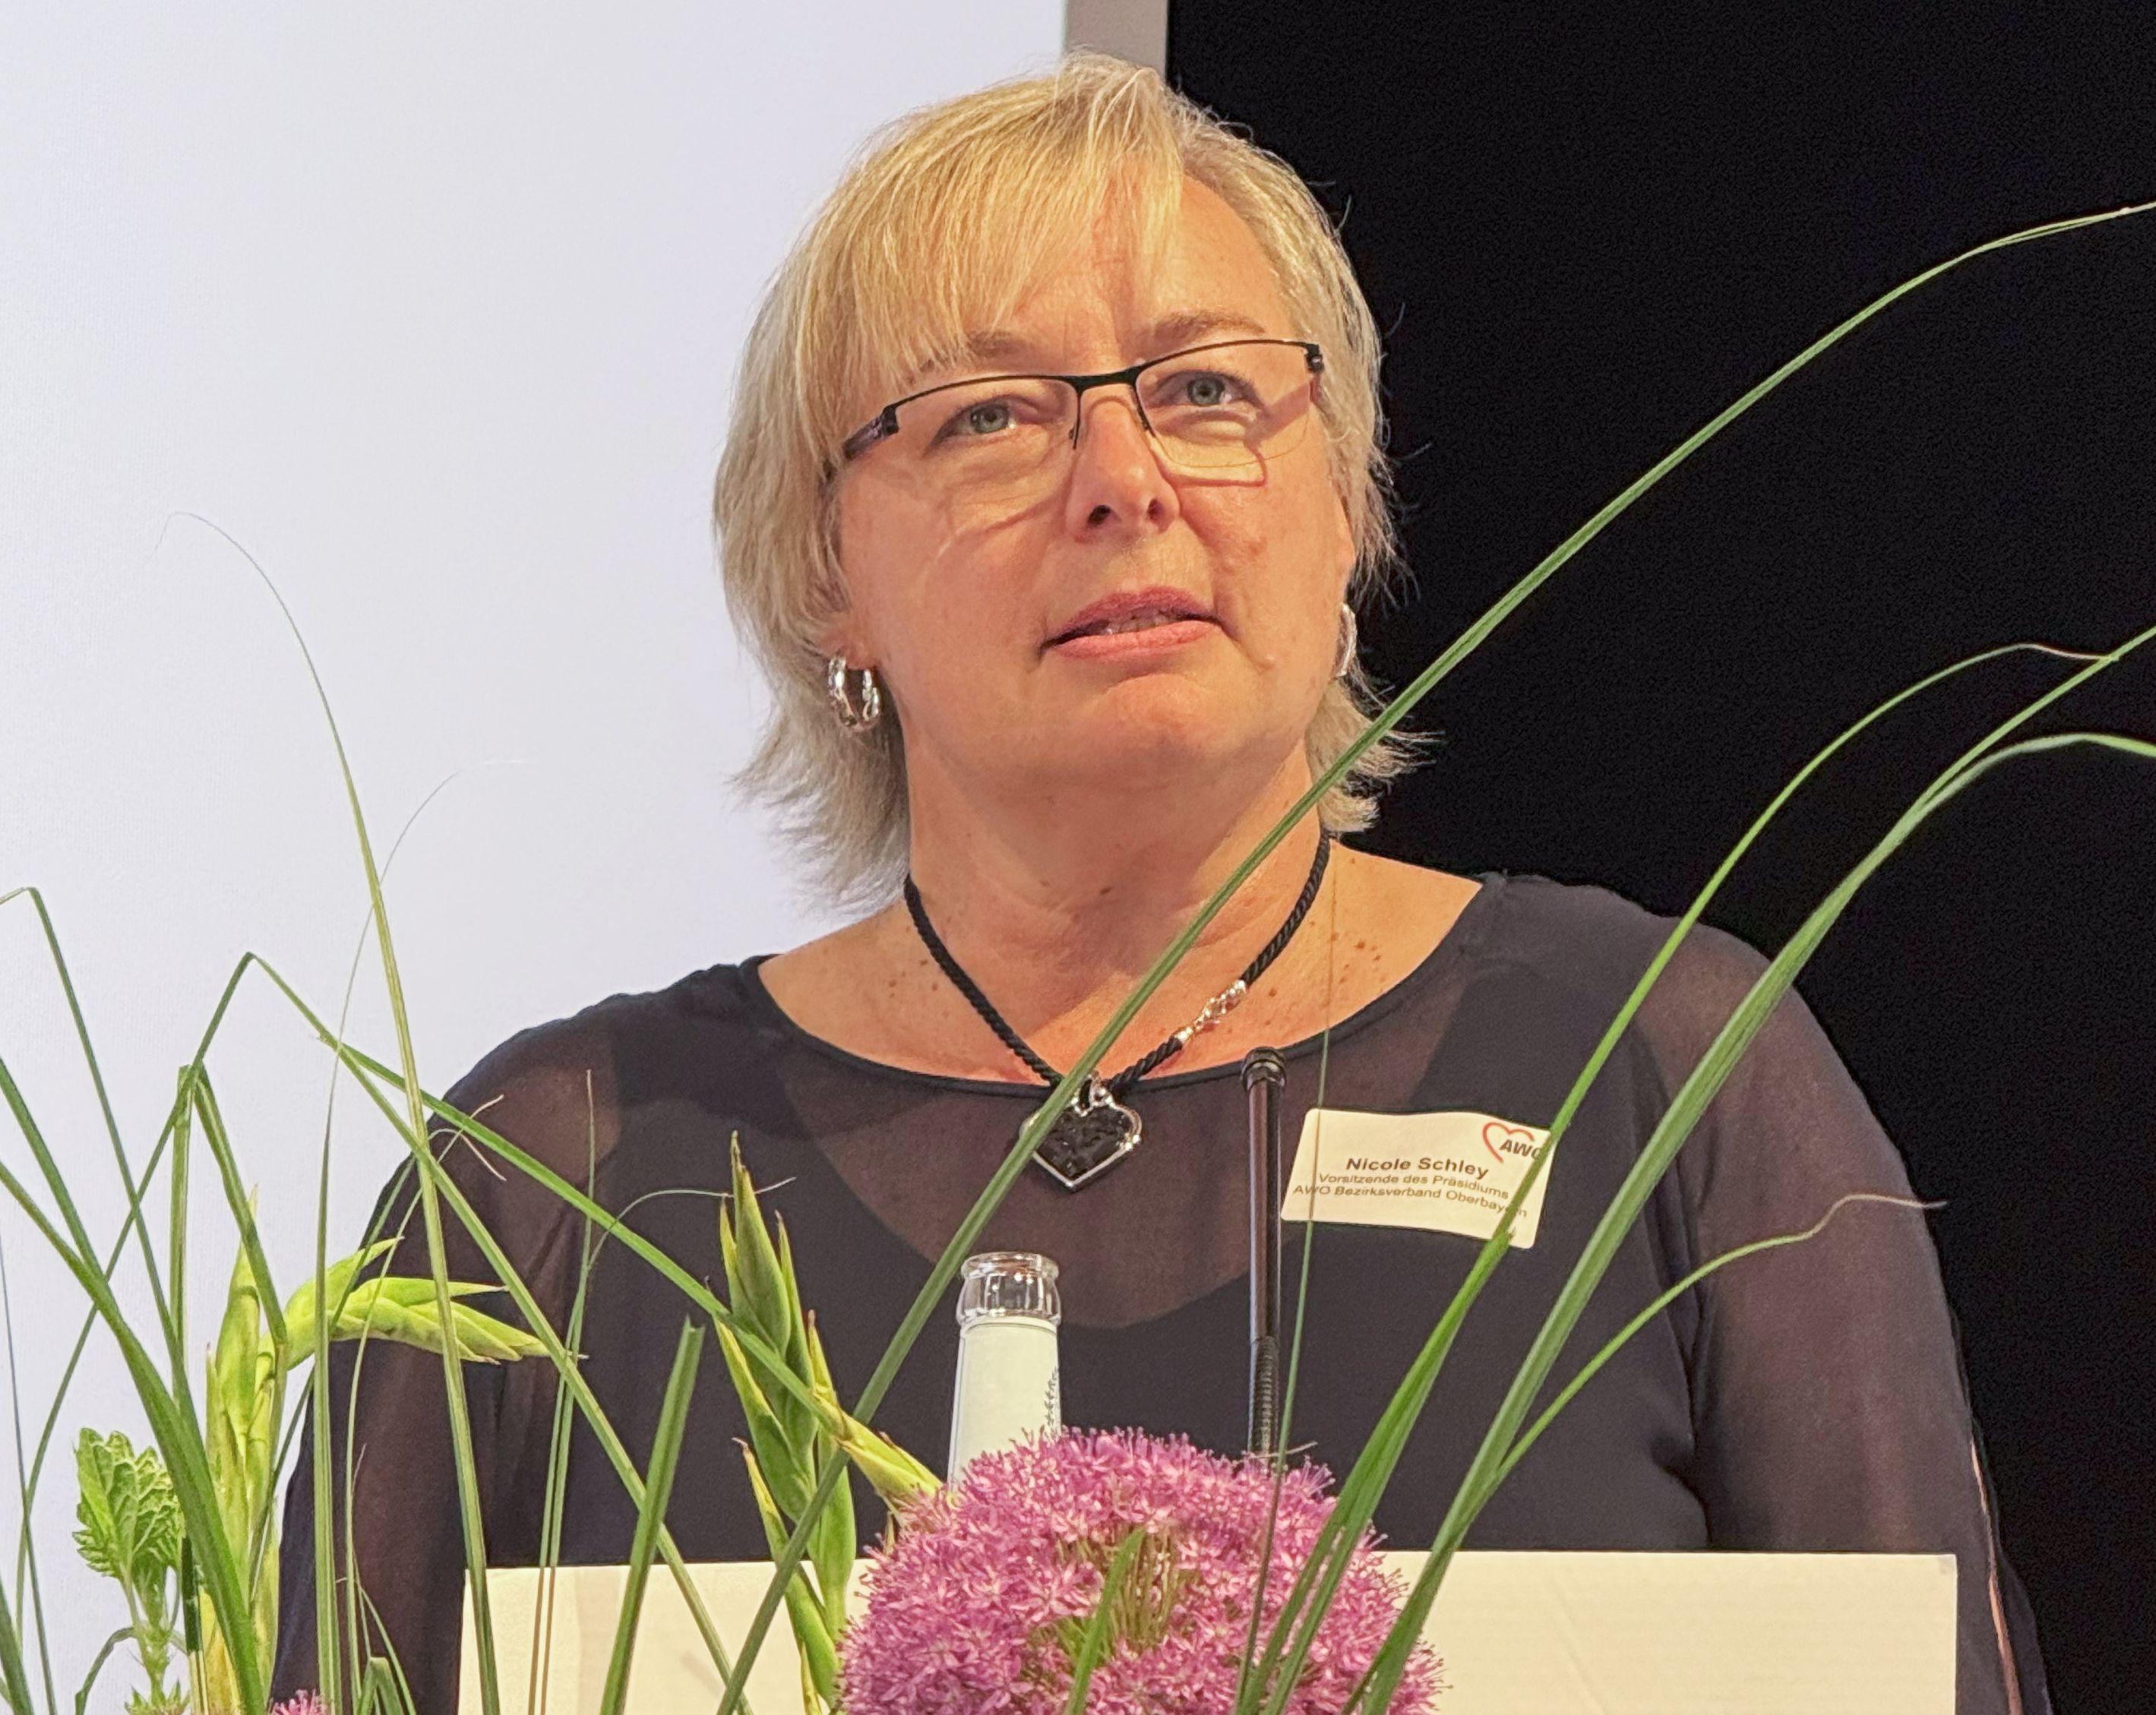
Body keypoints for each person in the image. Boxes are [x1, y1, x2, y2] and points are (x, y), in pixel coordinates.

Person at [275, 53, 2047, 1711]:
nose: (1124, 481)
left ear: (1346, 502)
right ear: (824, 574)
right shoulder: (557, 1177)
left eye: (1206, 389)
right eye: (988, 415)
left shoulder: (1668, 1071)